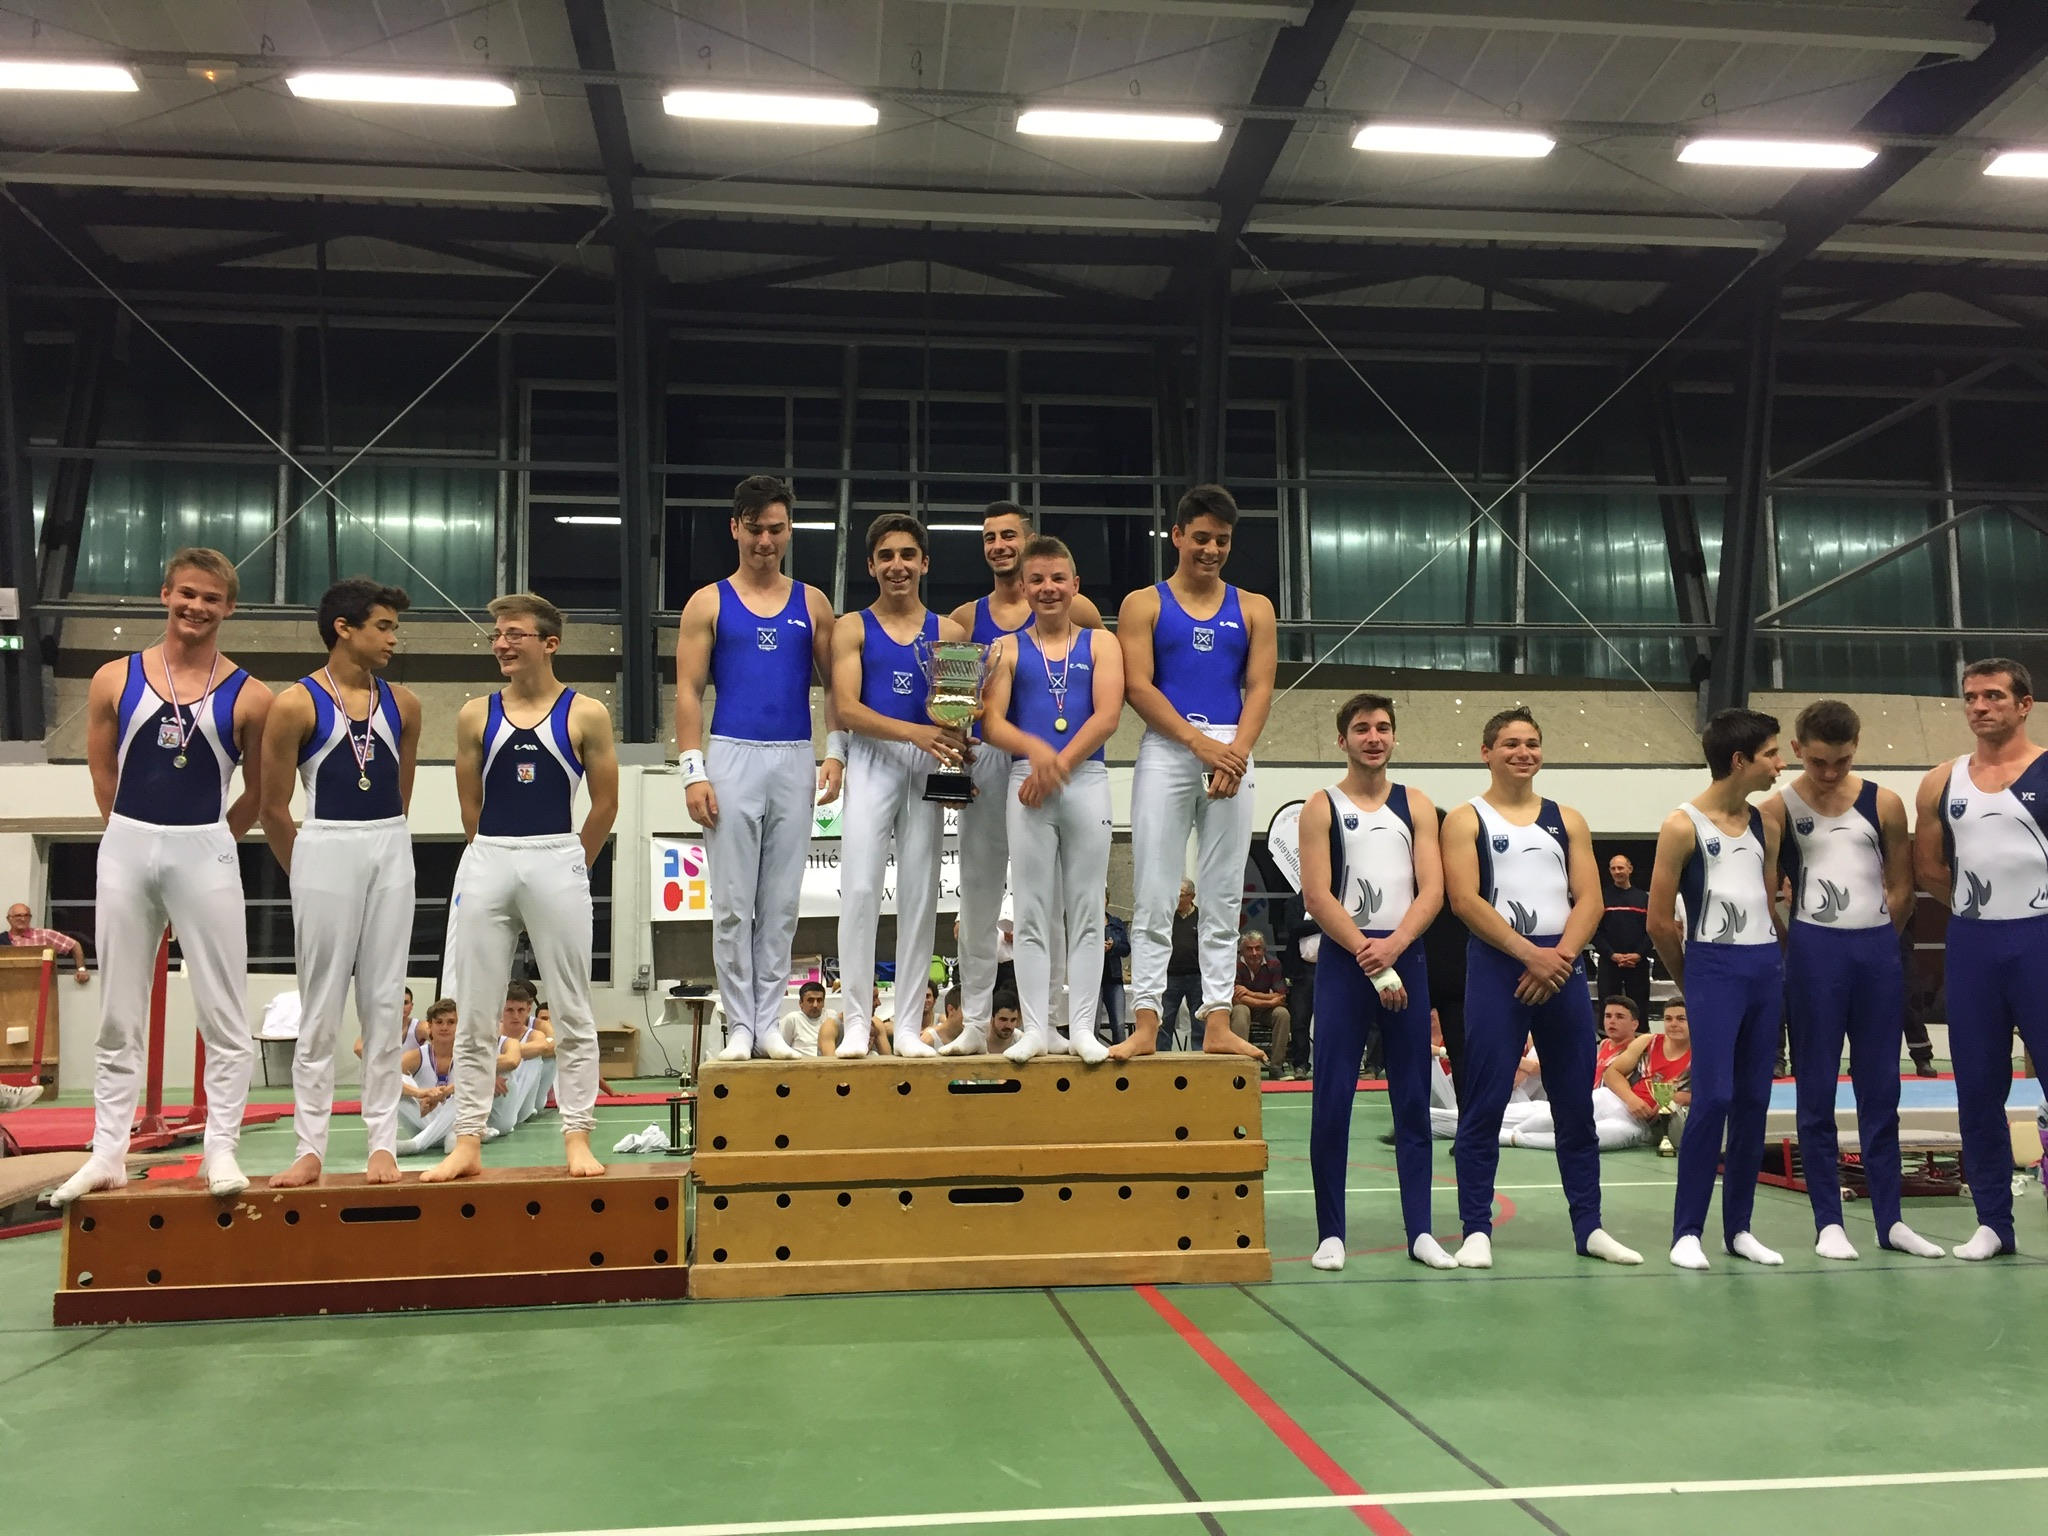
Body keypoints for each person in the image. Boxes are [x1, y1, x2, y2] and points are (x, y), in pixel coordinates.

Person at [53, 548, 272, 1206]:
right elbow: (102, 771)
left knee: (223, 1010)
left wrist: (212, 843)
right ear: (165, 594)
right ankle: (107, 1154)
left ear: (229, 608)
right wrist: (128, 835)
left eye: (211, 598)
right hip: (126, 840)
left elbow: (261, 791)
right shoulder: (113, 678)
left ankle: (220, 1149)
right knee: (118, 1011)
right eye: (187, 594)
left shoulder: (252, 696)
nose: (196, 607)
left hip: (205, 846)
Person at [423, 593, 618, 1184]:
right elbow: (469, 804)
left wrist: (573, 863)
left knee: (573, 1007)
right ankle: (467, 1140)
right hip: (489, 854)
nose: (501, 644)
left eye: (514, 634)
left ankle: (577, 1136)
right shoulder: (473, 715)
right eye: (497, 636)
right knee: (474, 1010)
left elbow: (605, 804)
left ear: (549, 643)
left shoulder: (586, 713)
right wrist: (491, 856)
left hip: (557, 855)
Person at [1441, 706, 1640, 1268]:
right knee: (1484, 1102)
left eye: (1531, 743)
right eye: (1510, 743)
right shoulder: (1466, 819)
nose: (1522, 753)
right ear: (1486, 752)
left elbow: (1591, 899)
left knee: (1574, 1104)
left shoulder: (1567, 819)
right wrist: (1531, 955)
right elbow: (1464, 900)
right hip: (1499, 968)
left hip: (1562, 968)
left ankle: (1590, 1226)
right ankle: (1476, 1230)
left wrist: (1561, 958)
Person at [1762, 698, 1944, 1261]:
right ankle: (1829, 1223)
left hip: (1875, 951)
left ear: (1856, 748)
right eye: (1817, 761)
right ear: (1797, 749)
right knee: (1816, 1091)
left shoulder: (1883, 802)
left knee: (1881, 1089)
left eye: (1841, 761)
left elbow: (1901, 885)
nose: (1830, 772)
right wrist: (1799, 947)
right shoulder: (1776, 809)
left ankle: (1891, 1220)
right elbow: (1766, 895)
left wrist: (1878, 937)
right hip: (1813, 952)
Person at [258, 578, 422, 1189]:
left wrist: (384, 844)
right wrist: (306, 871)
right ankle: (310, 1149)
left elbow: (400, 794)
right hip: (323, 843)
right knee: (322, 1002)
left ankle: (383, 1144)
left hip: (390, 844)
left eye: (394, 628)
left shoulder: (404, 705)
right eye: (383, 626)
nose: (393, 639)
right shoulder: (294, 705)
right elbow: (273, 807)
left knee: (384, 1000)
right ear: (343, 629)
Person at [675, 475, 844, 1064]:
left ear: (789, 531)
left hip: (794, 756)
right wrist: (693, 770)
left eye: (776, 529)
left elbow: (836, 687)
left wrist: (835, 750)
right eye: (754, 529)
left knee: (780, 905)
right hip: (730, 756)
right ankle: (739, 1027)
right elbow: (689, 690)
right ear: (735, 529)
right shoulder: (707, 602)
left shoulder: (813, 603)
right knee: (731, 906)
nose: (765, 541)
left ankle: (769, 1024)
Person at [1114, 484, 1277, 1063]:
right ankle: (1146, 1022)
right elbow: (1137, 686)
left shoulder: (1255, 607)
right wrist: (1198, 743)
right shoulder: (1143, 604)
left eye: (1222, 541)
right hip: (1169, 747)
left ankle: (1217, 1021)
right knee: (1155, 892)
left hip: (1233, 750)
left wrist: (1237, 751)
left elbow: (1260, 687)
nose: (1211, 550)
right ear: (1177, 536)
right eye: (1201, 538)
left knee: (1223, 892)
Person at [941, 503, 1102, 1056]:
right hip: (990, 760)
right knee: (979, 894)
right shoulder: (965, 619)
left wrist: (1062, 759)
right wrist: (952, 773)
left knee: (1048, 899)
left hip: (1058, 763)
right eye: (989, 538)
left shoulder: (1081, 611)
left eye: (1009, 535)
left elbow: (1089, 690)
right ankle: (974, 1021)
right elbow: (955, 708)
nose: (999, 545)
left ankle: (1051, 1020)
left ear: (1030, 540)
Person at [1298, 691, 1450, 1273]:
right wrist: (1372, 957)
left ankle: (1421, 1232)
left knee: (1412, 1099)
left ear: (1393, 736)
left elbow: (1432, 891)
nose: (1374, 737)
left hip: (1405, 953)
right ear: (1342, 740)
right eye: (1361, 728)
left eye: (1383, 727)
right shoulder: (1322, 806)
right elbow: (1318, 895)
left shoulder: (1417, 804)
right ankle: (1331, 1234)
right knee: (1332, 1099)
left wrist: (1396, 947)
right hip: (1348, 960)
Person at [1912, 658, 2048, 1261]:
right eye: (1970, 697)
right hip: (1973, 944)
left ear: (2024, 704)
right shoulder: (1941, 781)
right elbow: (1929, 868)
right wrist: (1983, 909)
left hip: (2041, 940)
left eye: (1993, 696)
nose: (1979, 706)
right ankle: (1993, 1222)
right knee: (1977, 1087)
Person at [1647, 708, 1787, 1271]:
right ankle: (1687, 1232)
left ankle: (1740, 1229)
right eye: (1772, 754)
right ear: (1739, 760)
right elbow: (1659, 922)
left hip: (1763, 967)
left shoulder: (1767, 825)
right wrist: (1694, 979)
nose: (1780, 764)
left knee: (1754, 1100)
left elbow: (1768, 905)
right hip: (1712, 966)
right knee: (1714, 1098)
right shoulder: (1682, 826)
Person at [978, 535, 1123, 1064]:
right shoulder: (1006, 648)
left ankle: (1082, 1028)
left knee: (1086, 911)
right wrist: (1034, 753)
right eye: (1036, 579)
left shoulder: (1102, 644)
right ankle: (1036, 1028)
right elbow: (991, 722)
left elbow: (1107, 716)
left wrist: (1056, 765)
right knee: (1032, 912)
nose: (1048, 588)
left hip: (1085, 777)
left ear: (1075, 585)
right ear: (1023, 587)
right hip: (1028, 781)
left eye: (1058, 578)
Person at [830, 514, 970, 1059]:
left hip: (929, 762)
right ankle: (857, 1024)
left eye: (908, 555)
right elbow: (846, 708)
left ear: (924, 563)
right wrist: (915, 732)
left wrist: (958, 762)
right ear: (871, 565)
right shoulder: (852, 627)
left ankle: (908, 1026)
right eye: (886, 556)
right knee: (861, 890)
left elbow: (957, 718)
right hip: (872, 756)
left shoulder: (950, 633)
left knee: (920, 892)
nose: (898, 566)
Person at [1506, 998, 1675, 1153]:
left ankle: (1512, 1136)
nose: (1612, 1021)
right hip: (1587, 1100)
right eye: (1608, 1016)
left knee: (1575, 1131)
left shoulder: (1638, 1049)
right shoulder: (1605, 1044)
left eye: (1619, 1017)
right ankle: (1507, 1128)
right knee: (1513, 1113)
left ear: (1635, 1024)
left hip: (1615, 1109)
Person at [1594, 854, 1652, 1028]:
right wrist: (1611, 955)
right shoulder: (1601, 898)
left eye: (1620, 868)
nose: (1617, 872)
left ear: (1630, 869)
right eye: (1613, 868)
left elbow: (1651, 931)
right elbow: (1594, 931)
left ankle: (1641, 1040)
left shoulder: (1643, 898)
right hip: (1609, 963)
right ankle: (1607, 1041)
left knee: (1640, 1006)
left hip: (1637, 964)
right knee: (1608, 1005)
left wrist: (1639, 954)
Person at [490, 981, 557, 1133]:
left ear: (528, 1010)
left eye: (521, 1010)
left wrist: (508, 1053)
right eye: (509, 1010)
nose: (516, 1016)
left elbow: (546, 1046)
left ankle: (518, 1108)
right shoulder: (492, 1031)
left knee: (534, 1056)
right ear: (501, 1010)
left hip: (526, 1101)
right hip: (501, 1091)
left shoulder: (535, 1033)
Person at [1231, 932, 1292, 1076]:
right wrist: (1270, 1001)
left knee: (1282, 1013)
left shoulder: (1274, 964)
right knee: (1240, 1010)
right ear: (1241, 951)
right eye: (1249, 949)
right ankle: (1241, 1066)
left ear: (1264, 950)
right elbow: (1237, 999)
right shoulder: (1233, 965)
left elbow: (1280, 996)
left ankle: (1276, 1066)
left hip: (1264, 1011)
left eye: (1258, 948)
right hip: (1244, 1009)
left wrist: (1250, 993)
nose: (1254, 953)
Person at [1159, 881, 1201, 1050]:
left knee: (1199, 1019)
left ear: (1192, 896)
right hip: (1171, 976)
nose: (1177, 899)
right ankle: (1162, 1056)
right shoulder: (1167, 917)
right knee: (1165, 1018)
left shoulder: (1201, 917)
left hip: (1197, 976)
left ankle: (1200, 1055)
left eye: (1181, 896)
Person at [3, 903, 89, 984]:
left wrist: (81, 970)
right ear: (8, 919)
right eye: (18, 916)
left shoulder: (44, 935)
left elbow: (74, 945)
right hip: (9, 988)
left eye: (26, 915)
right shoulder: (2, 939)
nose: (22, 919)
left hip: (41, 986)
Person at [779, 980, 833, 1057]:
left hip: (828, 1061)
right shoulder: (792, 1019)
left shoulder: (831, 1016)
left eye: (819, 1000)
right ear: (800, 1003)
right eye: (810, 1000)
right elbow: (781, 1048)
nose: (815, 1005)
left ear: (824, 1003)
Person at [1099, 909, 1130, 1045]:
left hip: (1114, 979)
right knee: (1092, 1025)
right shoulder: (1087, 921)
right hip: (1093, 980)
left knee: (1119, 1024)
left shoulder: (1116, 923)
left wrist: (1113, 946)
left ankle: (1120, 1053)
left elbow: (1126, 949)